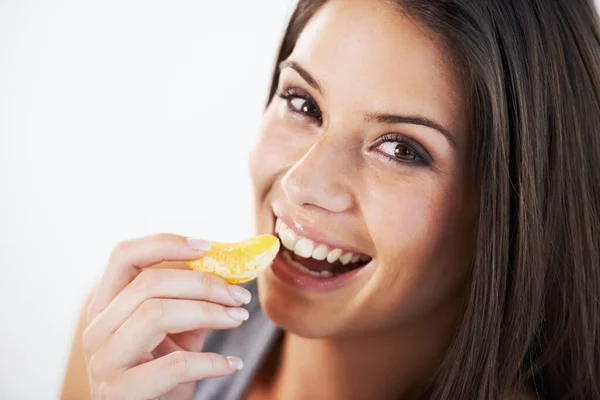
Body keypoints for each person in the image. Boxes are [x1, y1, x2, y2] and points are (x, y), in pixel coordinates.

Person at [61, 0, 600, 399]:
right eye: (302, 103)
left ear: (514, 209)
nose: (302, 184)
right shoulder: (138, 345)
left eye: (400, 148)